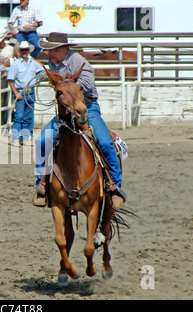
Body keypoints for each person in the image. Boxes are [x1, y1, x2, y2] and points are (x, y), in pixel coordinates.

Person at [32, 32, 126, 209]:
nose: (49, 54)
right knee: (42, 141)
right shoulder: (53, 63)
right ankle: (42, 185)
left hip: (87, 109)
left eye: (52, 50)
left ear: (64, 49)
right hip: (66, 112)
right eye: (48, 51)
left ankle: (115, 187)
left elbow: (88, 86)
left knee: (105, 142)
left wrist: (68, 84)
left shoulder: (80, 63)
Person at [7, 41, 44, 147]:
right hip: (20, 91)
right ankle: (15, 139)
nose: (24, 52)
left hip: (31, 92)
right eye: (22, 50)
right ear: (19, 51)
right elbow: (10, 80)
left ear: (28, 51)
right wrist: (16, 93)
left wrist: (37, 79)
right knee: (19, 116)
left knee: (28, 116)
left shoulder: (33, 63)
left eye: (26, 50)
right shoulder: (15, 64)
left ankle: (25, 138)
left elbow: (43, 71)